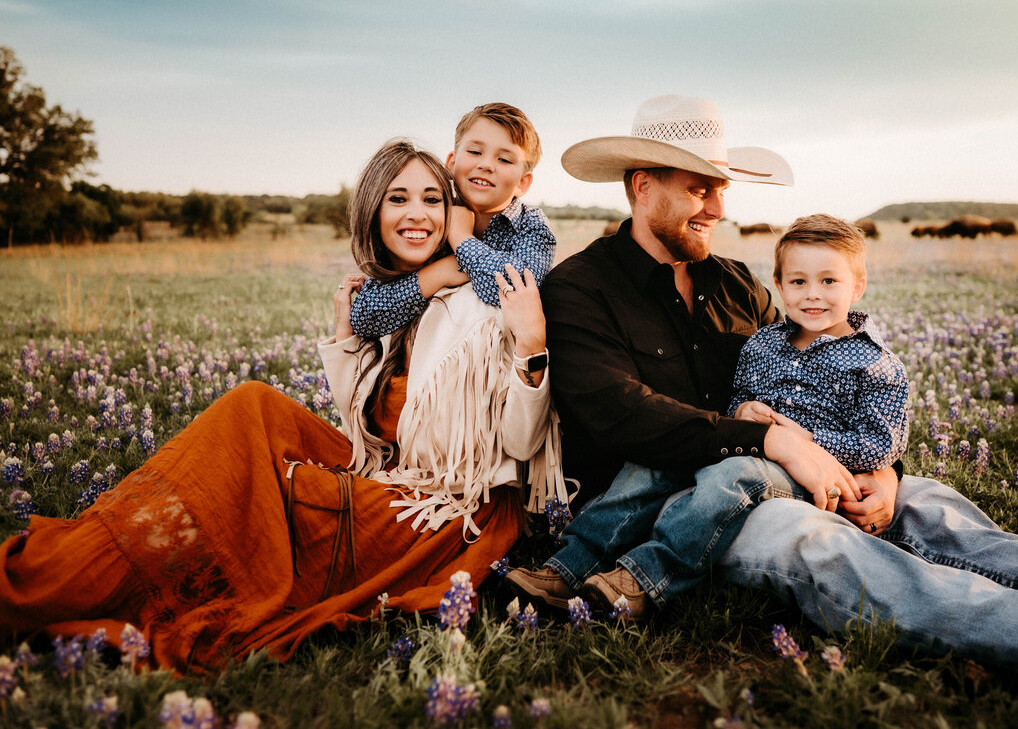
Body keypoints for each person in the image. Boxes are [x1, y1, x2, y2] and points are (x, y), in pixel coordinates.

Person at [509, 94, 1018, 698]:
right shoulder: (582, 288)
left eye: (720, 189)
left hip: (785, 469)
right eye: (699, 190)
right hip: (675, 512)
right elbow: (621, 416)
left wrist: (883, 473)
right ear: (641, 187)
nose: (719, 207)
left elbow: (801, 380)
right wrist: (772, 442)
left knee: (932, 510)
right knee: (822, 546)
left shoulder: (734, 282)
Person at [0, 139, 566, 673]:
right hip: (393, 474)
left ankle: (75, 579)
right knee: (253, 408)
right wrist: (346, 342)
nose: (415, 214)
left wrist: (531, 346)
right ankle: (89, 559)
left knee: (279, 497)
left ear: (454, 212)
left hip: (449, 511)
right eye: (398, 198)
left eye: (431, 199)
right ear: (373, 211)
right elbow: (367, 432)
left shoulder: (489, 297)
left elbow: (518, 446)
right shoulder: (401, 298)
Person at [510, 212, 908, 618]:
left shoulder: (875, 364)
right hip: (753, 447)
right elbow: (739, 396)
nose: (813, 295)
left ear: (857, 287)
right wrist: (743, 411)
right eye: (799, 282)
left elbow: (881, 441)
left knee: (728, 478)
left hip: (809, 475)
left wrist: (806, 445)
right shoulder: (764, 344)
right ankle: (573, 562)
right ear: (780, 285)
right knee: (649, 469)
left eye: (829, 281)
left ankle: (646, 576)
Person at [350, 103, 556, 339]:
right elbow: (365, 316)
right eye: (475, 152)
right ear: (452, 162)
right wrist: (441, 273)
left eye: (505, 160)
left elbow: (512, 290)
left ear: (523, 183)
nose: (486, 165)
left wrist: (461, 238)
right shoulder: (432, 216)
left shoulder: (531, 226)